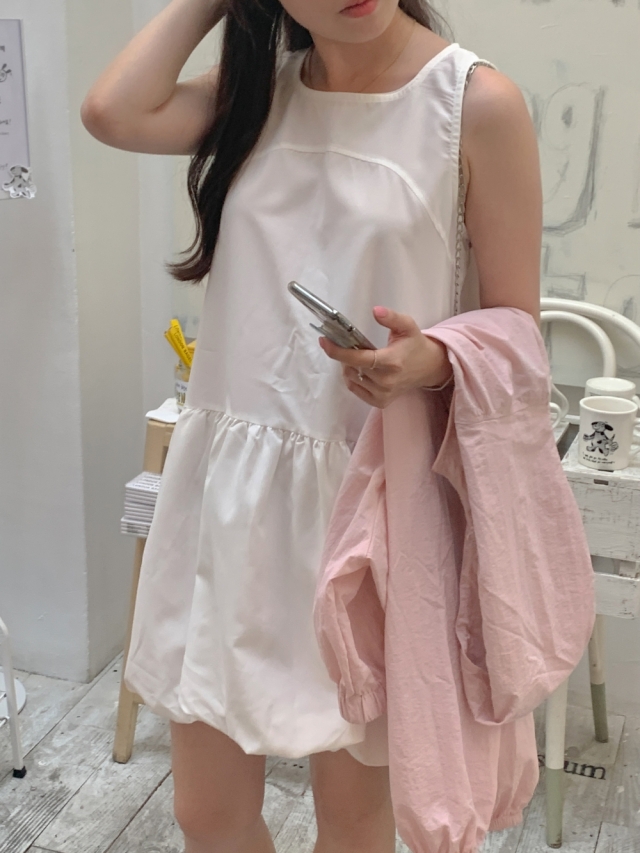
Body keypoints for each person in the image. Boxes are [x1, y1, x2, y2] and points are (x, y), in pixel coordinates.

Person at [82, 1, 542, 851]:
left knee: (353, 821)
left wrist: (431, 358)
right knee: (206, 813)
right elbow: (113, 110)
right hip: (228, 497)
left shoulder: (475, 103)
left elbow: (518, 329)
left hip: (369, 507)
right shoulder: (260, 93)